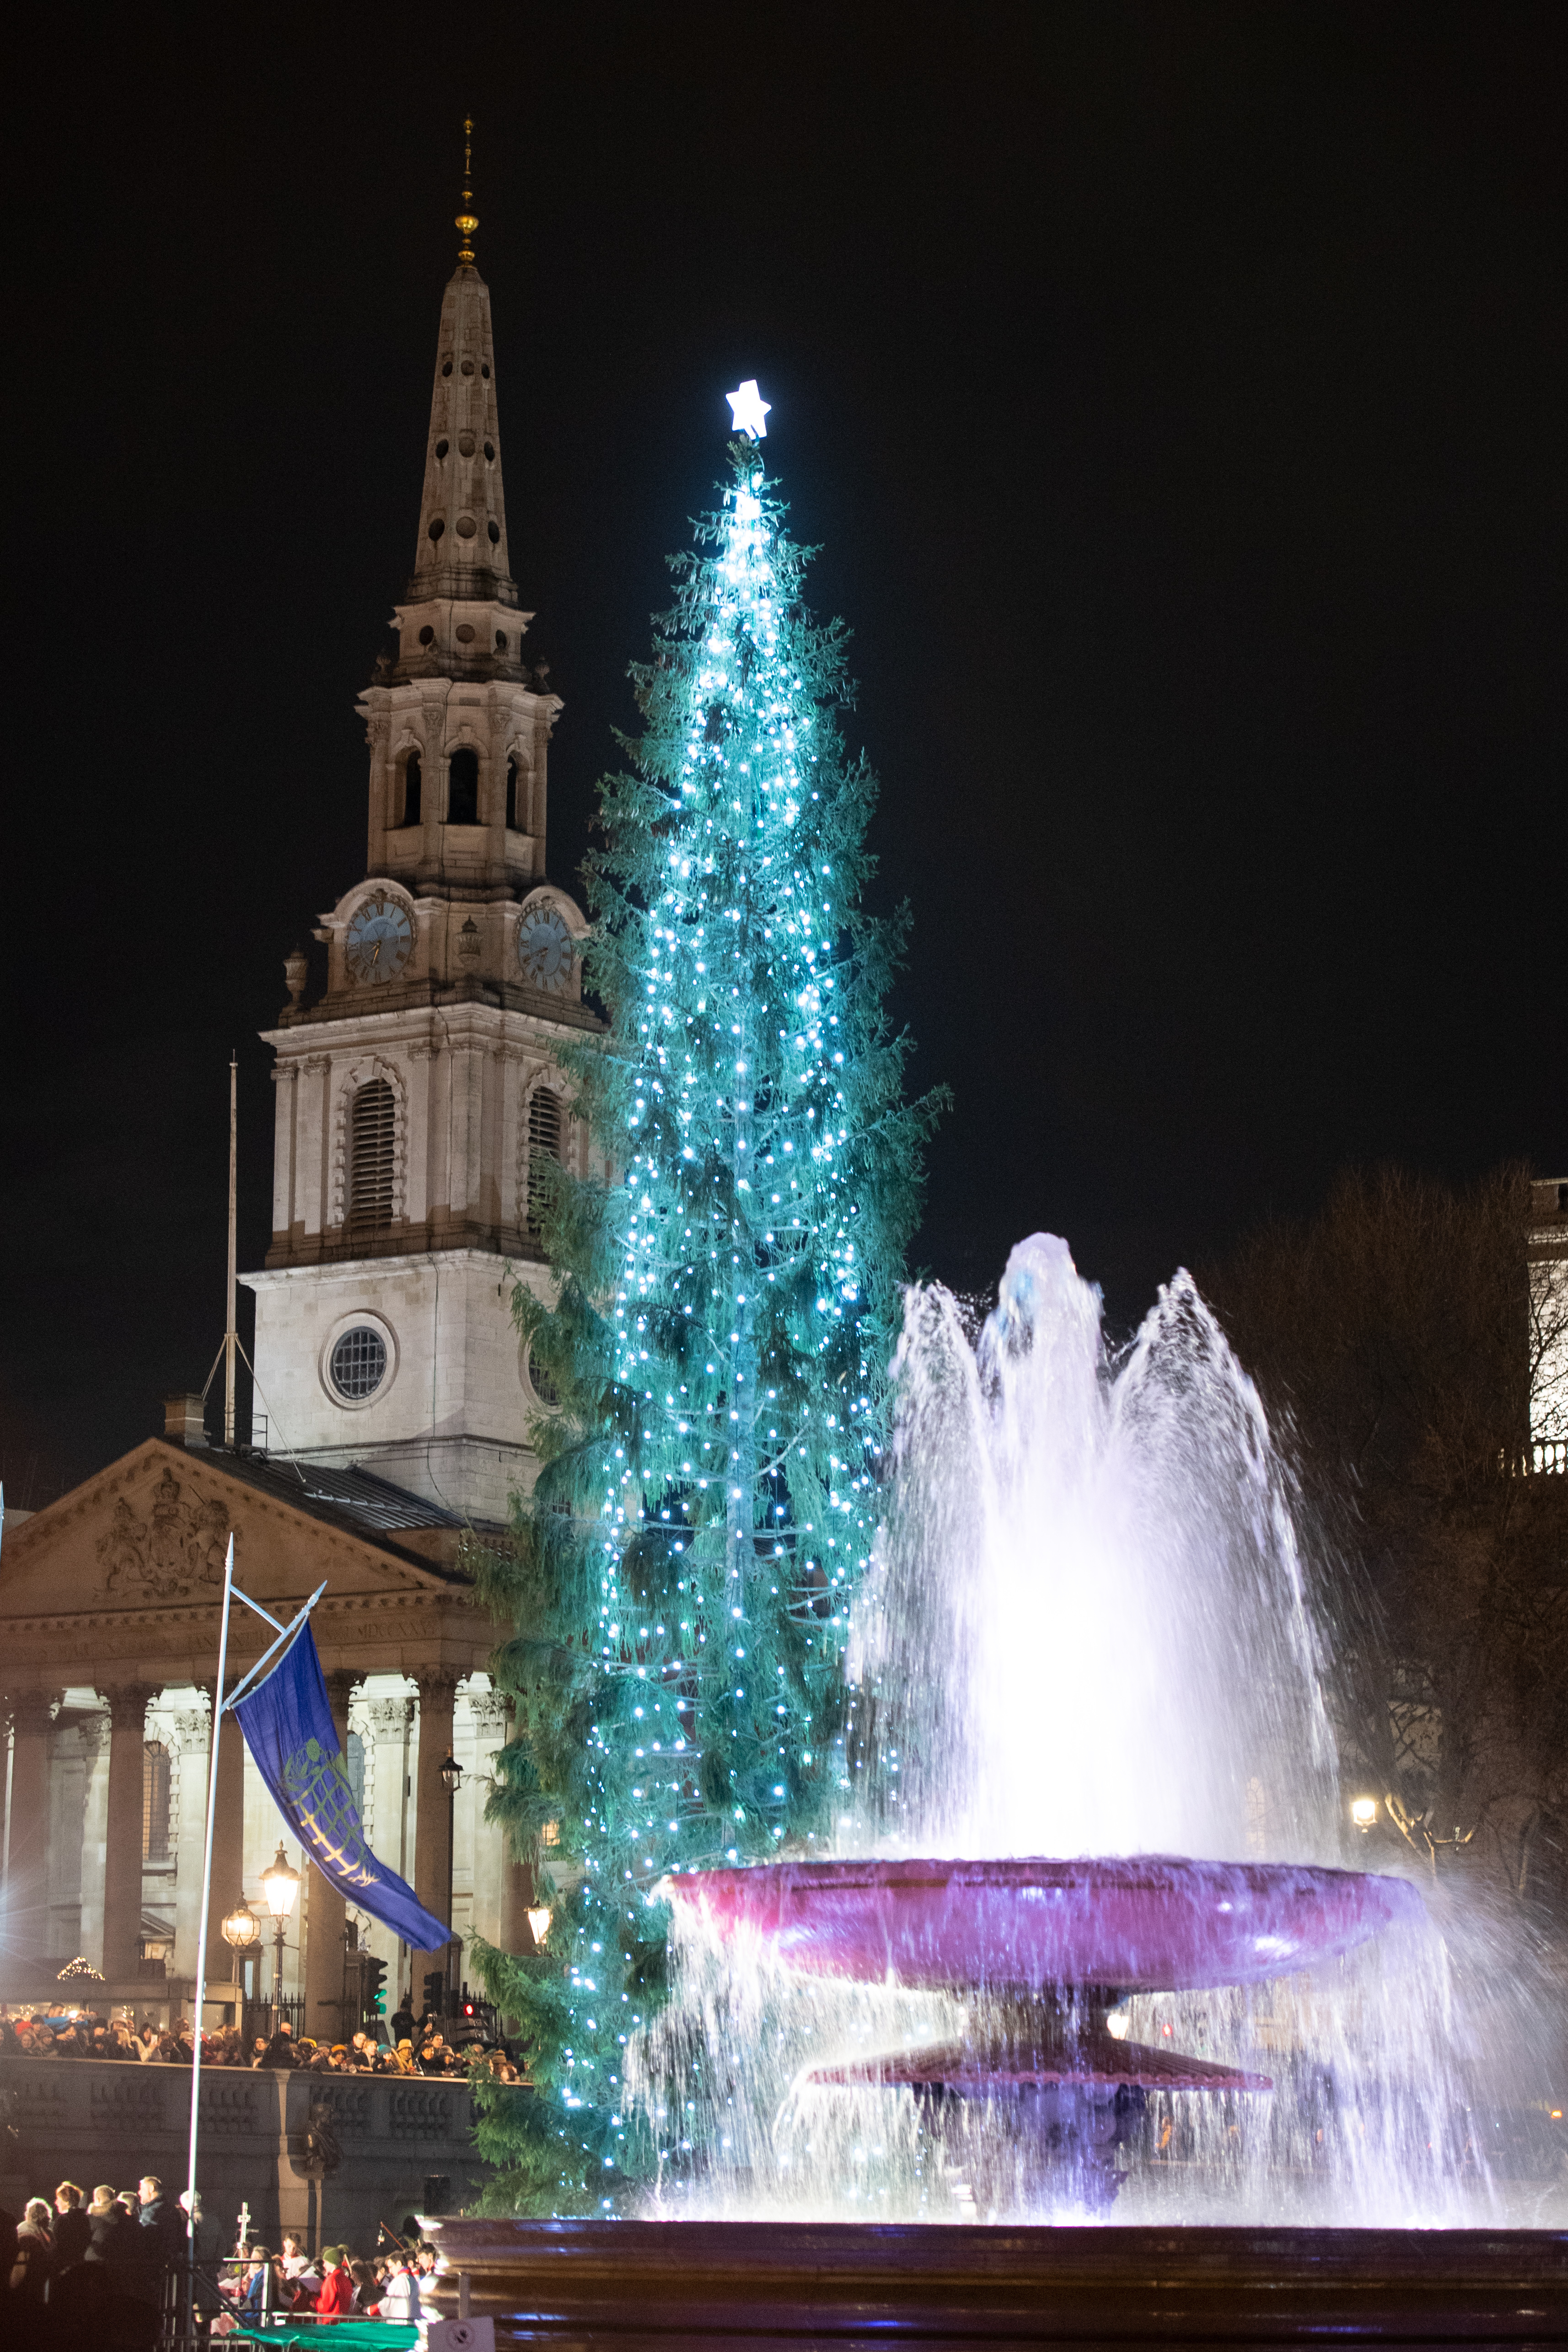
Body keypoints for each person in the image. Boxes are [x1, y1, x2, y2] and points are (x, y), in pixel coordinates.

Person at [9, 2197, 54, 2301]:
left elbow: (22, 2256)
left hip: (29, 2274)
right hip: (45, 2274)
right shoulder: (49, 2232)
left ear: (29, 2214)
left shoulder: (24, 2229)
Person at [54, 2180, 91, 2269]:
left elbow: (57, 2243)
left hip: (64, 2266)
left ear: (66, 2201)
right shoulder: (84, 2218)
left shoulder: (63, 2220)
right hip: (81, 2265)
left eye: (58, 2199)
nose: (56, 2202)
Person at [316, 2245, 356, 2314]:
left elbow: (325, 2306)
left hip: (331, 2321)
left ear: (332, 2262)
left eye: (325, 2262)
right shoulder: (345, 2279)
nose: (324, 2265)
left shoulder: (332, 2279)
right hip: (343, 2320)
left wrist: (315, 2301)